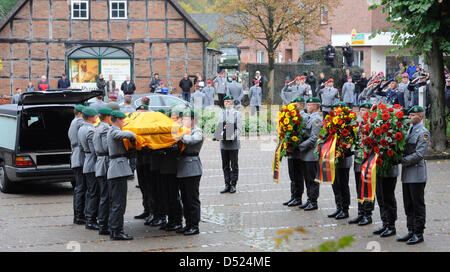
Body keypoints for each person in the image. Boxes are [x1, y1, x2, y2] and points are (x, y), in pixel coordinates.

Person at [397, 106, 430, 245]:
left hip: (416, 173)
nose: (409, 117)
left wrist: (402, 160)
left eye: (413, 115)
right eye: (409, 114)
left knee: (417, 205)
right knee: (408, 204)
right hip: (407, 173)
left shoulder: (424, 132)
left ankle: (418, 233)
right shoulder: (409, 129)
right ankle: (411, 230)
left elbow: (419, 154)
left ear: (420, 116)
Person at [107, 110, 137, 240]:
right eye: (123, 120)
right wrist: (133, 135)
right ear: (118, 120)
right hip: (117, 171)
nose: (124, 122)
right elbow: (126, 134)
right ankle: (117, 231)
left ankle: (115, 229)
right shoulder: (113, 131)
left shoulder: (113, 130)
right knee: (119, 203)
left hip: (118, 170)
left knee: (117, 202)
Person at [175, 109, 204, 235]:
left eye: (185, 119)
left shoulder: (197, 131)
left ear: (192, 120)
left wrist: (179, 134)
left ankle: (194, 225)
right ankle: (187, 224)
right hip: (182, 167)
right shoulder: (183, 130)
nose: (183, 121)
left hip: (192, 167)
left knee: (192, 199)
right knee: (184, 198)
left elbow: (191, 140)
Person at [348, 102, 374, 226]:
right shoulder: (359, 124)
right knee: (359, 187)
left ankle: (367, 214)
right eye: (361, 110)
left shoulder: (373, 125)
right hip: (358, 161)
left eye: (364, 110)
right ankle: (360, 213)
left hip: (368, 162)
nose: (362, 112)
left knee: (367, 187)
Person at [213, 95, 242, 194]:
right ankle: (227, 184)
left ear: (232, 102)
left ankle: (233, 184)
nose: (227, 103)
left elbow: (239, 129)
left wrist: (231, 137)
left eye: (229, 101)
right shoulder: (222, 113)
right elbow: (219, 126)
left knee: (234, 165)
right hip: (224, 144)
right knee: (225, 165)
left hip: (233, 143)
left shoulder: (237, 114)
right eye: (225, 102)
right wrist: (218, 135)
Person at [328, 102, 352, 220]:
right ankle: (338, 207)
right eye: (335, 109)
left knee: (343, 184)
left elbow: (351, 141)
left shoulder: (349, 123)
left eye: (338, 109)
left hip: (344, 159)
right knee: (335, 184)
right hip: (334, 158)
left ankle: (345, 209)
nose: (336, 111)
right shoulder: (332, 122)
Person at [283, 97, 309, 207]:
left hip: (299, 150)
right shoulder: (291, 116)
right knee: (292, 175)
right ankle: (293, 196)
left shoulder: (305, 117)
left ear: (302, 105)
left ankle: (298, 197)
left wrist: (295, 138)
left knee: (298, 175)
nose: (294, 107)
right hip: (291, 150)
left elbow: (306, 133)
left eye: (296, 105)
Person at [298, 97, 322, 211]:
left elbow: (314, 138)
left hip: (312, 154)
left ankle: (313, 201)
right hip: (306, 154)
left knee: (312, 179)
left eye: (310, 105)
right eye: (307, 105)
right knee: (307, 179)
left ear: (316, 106)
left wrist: (300, 146)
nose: (307, 107)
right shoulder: (310, 118)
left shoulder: (316, 119)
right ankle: (309, 199)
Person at [77, 107, 99, 230]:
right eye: (95, 116)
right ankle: (91, 220)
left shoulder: (81, 128)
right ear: (90, 117)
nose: (96, 118)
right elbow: (94, 149)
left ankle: (89, 217)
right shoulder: (90, 130)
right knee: (93, 193)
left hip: (87, 161)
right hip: (92, 164)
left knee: (91, 192)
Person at [93, 107, 112, 235]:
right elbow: (106, 146)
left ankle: (103, 224)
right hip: (105, 163)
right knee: (106, 196)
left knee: (103, 195)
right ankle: (104, 225)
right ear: (107, 117)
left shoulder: (98, 127)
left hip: (100, 162)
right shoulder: (105, 129)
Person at [68, 104, 87, 225]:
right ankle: (79, 215)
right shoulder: (79, 122)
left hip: (75, 156)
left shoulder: (73, 121)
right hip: (79, 157)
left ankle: (78, 214)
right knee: (81, 187)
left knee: (79, 187)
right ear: (80, 113)